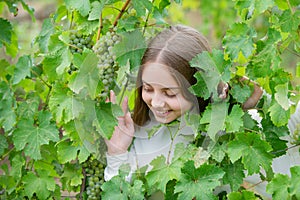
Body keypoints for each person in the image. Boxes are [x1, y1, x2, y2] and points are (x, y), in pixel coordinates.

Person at [103, 25, 263, 193]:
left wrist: (254, 103)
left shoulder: (225, 131)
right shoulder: (141, 128)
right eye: (148, 89)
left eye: (169, 93)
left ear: (197, 88)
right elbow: (122, 193)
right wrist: (117, 152)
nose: (156, 103)